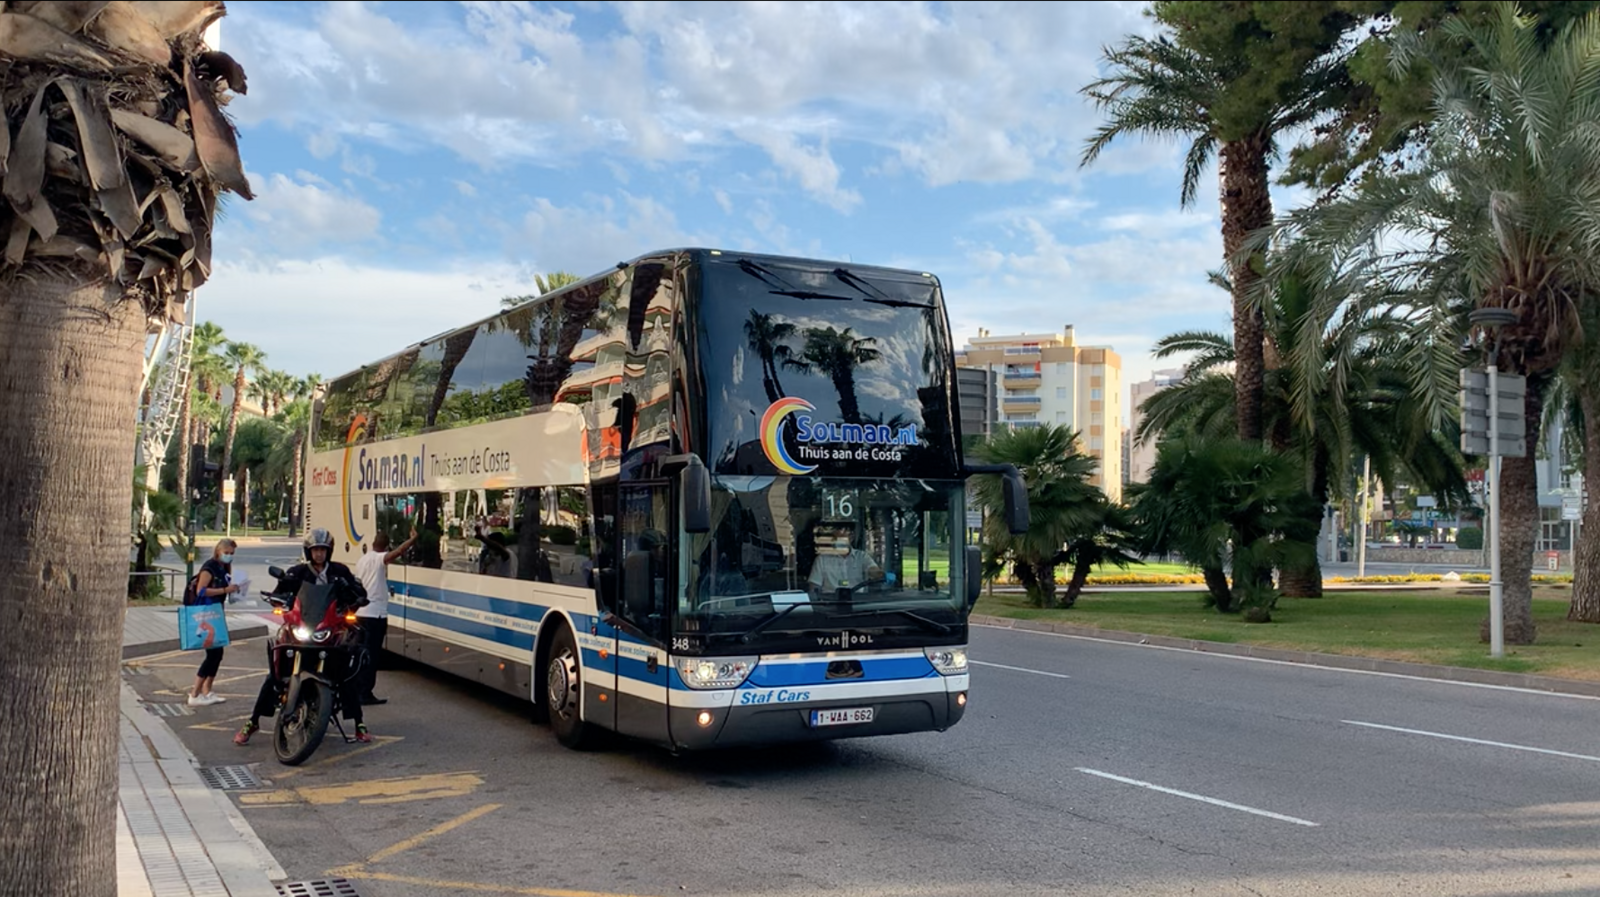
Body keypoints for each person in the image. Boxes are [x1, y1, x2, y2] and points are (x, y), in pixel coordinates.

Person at [235, 528, 371, 745]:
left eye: (323, 550)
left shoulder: (339, 571)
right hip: (301, 627)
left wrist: (354, 593)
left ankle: (359, 724)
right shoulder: (298, 572)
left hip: (330, 628)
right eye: (315, 550)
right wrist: (276, 598)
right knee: (275, 676)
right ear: (309, 551)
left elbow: (359, 593)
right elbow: (281, 591)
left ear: (329, 552)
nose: (319, 554)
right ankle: (253, 721)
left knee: (347, 673)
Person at [353, 526, 418, 706]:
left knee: (361, 653)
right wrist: (412, 540)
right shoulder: (379, 558)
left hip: (361, 613)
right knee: (373, 655)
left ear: (373, 543)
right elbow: (398, 552)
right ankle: (365, 692)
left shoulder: (362, 559)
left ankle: (358, 688)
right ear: (385, 546)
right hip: (375, 614)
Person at [187, 539, 240, 706]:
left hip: (216, 613)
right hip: (207, 614)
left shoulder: (223, 568)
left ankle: (207, 691)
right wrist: (225, 590)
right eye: (227, 553)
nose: (229, 556)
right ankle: (195, 694)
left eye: (232, 554)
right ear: (218, 551)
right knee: (213, 654)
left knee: (217, 654)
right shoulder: (209, 567)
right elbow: (201, 590)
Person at [807, 521, 883, 595]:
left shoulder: (862, 557)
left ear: (851, 537)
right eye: (835, 538)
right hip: (830, 603)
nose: (838, 540)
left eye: (842, 537)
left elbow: (873, 571)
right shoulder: (821, 560)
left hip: (857, 603)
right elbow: (814, 588)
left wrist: (882, 575)